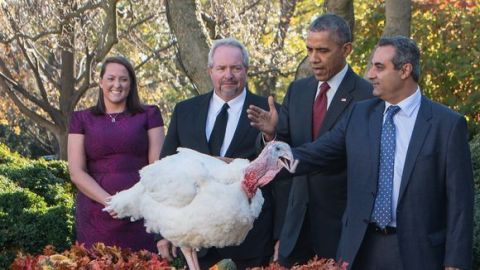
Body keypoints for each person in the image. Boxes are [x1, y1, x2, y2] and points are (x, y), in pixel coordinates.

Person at [250, 36, 474, 269]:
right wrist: (257, 166)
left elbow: (460, 202)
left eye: (379, 67)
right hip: (360, 249)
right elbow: (313, 156)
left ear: (405, 70)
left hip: (419, 253)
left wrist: (455, 263)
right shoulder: (359, 114)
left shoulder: (446, 124)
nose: (369, 75)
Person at [248, 13, 372, 267]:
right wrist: (272, 134)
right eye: (309, 49)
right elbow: (285, 151)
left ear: (346, 49)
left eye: (323, 51)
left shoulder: (367, 96)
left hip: (341, 227)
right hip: (296, 226)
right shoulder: (298, 90)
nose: (313, 59)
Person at [157, 37, 274, 269]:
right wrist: (162, 232)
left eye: (235, 68)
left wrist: (281, 237)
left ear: (246, 71)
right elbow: (165, 173)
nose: (228, 75)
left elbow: (280, 180)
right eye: (221, 68)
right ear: (210, 71)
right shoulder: (185, 111)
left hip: (249, 243)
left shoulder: (268, 112)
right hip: (194, 241)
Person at [68, 56, 165, 252]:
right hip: (96, 213)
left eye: (123, 79)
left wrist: (130, 201)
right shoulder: (81, 119)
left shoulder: (150, 114)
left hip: (140, 210)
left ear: (131, 84)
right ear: (101, 82)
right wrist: (112, 203)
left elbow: (157, 168)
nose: (117, 85)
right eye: (111, 78)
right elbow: (76, 172)